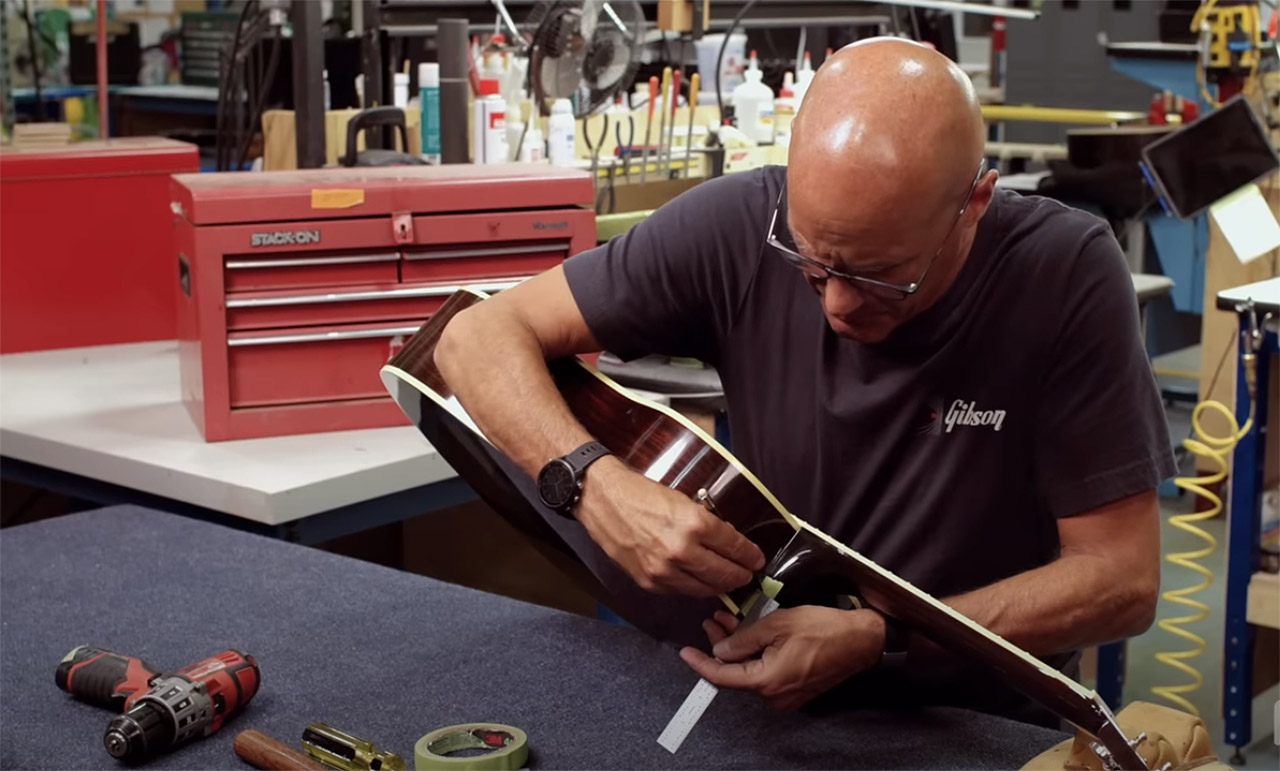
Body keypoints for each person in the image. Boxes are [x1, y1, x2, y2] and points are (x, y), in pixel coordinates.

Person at [433, 37, 1175, 727]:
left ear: (972, 205)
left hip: (984, 722)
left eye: (881, 275)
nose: (837, 304)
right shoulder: (741, 225)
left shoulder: (1064, 272)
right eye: (812, 263)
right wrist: (595, 488)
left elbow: (1120, 579)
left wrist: (887, 637)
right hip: (771, 711)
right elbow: (472, 337)